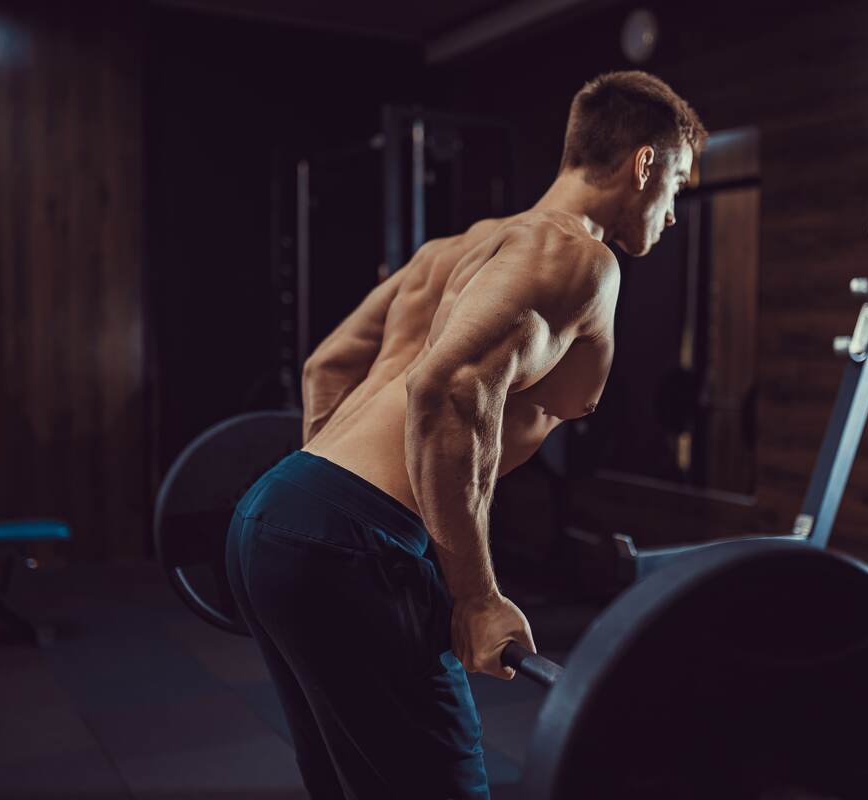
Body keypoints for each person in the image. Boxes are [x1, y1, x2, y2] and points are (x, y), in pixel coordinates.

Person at [225, 70, 705, 799]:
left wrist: (314, 514)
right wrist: (476, 596)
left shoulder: (452, 251)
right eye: (677, 184)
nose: (673, 214)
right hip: (359, 538)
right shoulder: (579, 257)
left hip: (274, 509)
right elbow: (449, 389)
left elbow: (328, 365)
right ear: (644, 165)